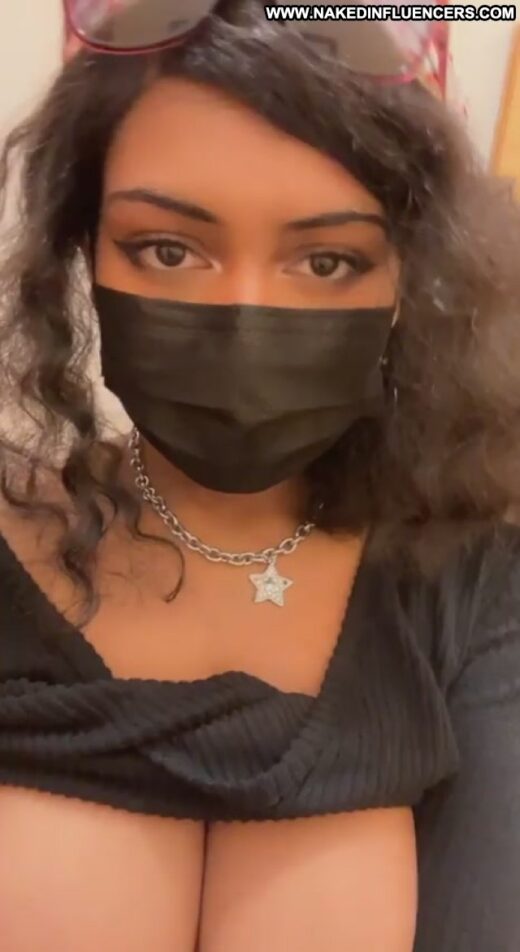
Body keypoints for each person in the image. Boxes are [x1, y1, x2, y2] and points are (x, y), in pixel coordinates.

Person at [0, 1, 519, 949]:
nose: (244, 315)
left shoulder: (476, 591)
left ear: (405, 284)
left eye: (326, 260)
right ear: (84, 250)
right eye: (168, 250)